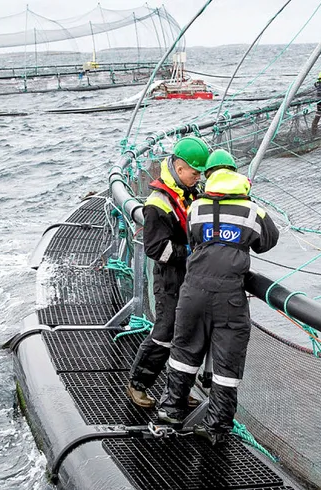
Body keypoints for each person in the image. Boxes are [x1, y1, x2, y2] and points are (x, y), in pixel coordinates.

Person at [157, 149, 280, 445]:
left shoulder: (196, 207)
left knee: (184, 351)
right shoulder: (252, 211)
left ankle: (171, 410)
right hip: (230, 297)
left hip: (193, 291)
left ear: (209, 176)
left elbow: (194, 240)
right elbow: (268, 240)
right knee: (227, 361)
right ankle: (216, 427)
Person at [126, 136, 210, 408]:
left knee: (187, 336)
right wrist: (192, 253)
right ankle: (138, 384)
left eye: (200, 173)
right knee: (164, 333)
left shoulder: (192, 193)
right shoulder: (158, 203)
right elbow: (155, 248)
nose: (197, 178)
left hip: (191, 279)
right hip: (170, 281)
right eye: (194, 172)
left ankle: (179, 391)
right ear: (179, 167)